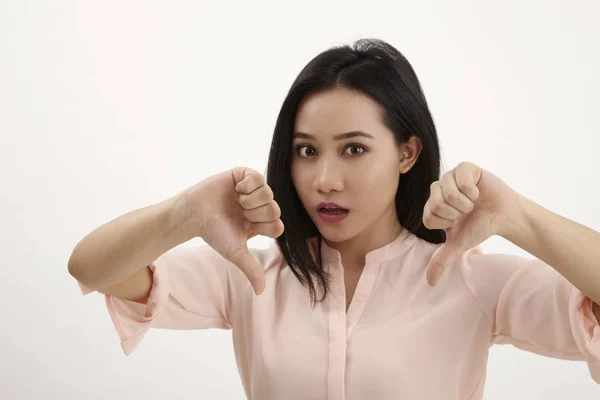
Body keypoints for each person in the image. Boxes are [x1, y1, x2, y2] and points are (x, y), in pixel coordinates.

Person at [68, 38, 600, 399]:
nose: (324, 179)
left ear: (407, 153)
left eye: (353, 150)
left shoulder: (471, 280)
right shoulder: (252, 279)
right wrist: (184, 213)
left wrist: (518, 217)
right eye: (306, 151)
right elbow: (91, 269)